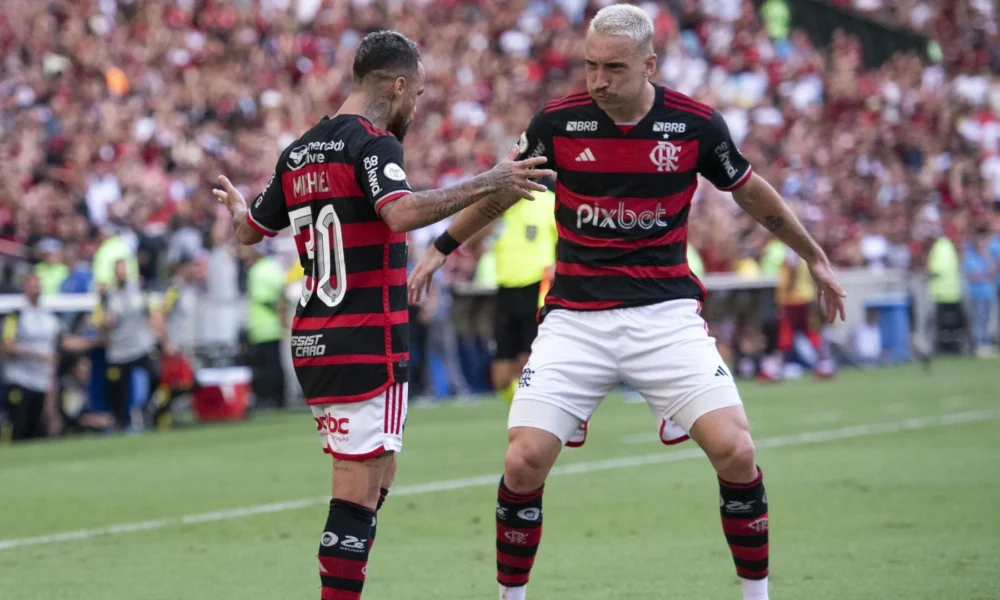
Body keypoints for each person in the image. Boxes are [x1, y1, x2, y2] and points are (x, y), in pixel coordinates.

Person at [408, 7, 846, 600]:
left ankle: (757, 596)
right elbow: (504, 191)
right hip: (574, 322)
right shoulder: (557, 124)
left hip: (666, 320)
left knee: (737, 451)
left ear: (649, 64)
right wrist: (442, 246)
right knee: (522, 461)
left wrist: (814, 255)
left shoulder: (694, 125)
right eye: (590, 65)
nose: (598, 80)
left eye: (613, 67)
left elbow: (751, 192)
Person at [212, 30, 554, 600]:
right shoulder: (371, 145)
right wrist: (490, 181)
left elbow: (250, 232)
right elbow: (400, 213)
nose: (416, 109)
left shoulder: (298, 151)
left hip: (314, 340)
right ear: (397, 86)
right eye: (416, 95)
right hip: (366, 339)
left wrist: (238, 210)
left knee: (375, 478)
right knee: (353, 494)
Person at [1, 272, 91, 441]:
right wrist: (39, 356)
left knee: (35, 430)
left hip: (42, 381)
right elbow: (7, 345)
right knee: (18, 428)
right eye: (32, 284)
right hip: (20, 379)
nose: (36, 288)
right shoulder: (16, 314)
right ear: (25, 287)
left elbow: (62, 341)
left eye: (38, 284)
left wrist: (93, 342)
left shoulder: (49, 315)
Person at [97, 259, 164, 431]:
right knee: (118, 390)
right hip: (118, 351)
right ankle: (120, 423)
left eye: (124, 270)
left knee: (156, 375)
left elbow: (152, 314)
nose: (122, 273)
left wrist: (157, 333)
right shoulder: (107, 296)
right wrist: (105, 323)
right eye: (119, 270)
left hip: (140, 346)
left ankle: (146, 407)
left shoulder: (140, 291)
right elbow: (99, 322)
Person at [242, 244, 289, 408]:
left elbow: (260, 298)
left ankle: (268, 399)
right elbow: (282, 293)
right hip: (274, 326)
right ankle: (280, 399)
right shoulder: (276, 267)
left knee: (265, 368)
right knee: (276, 365)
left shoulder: (256, 271)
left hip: (261, 327)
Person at [963, 226, 997, 357]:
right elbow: (973, 275)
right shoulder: (970, 256)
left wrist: (985, 271)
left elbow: (993, 272)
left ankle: (985, 342)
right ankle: (978, 344)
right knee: (978, 319)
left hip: (988, 293)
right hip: (977, 294)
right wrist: (985, 274)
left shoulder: (987, 255)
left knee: (987, 319)